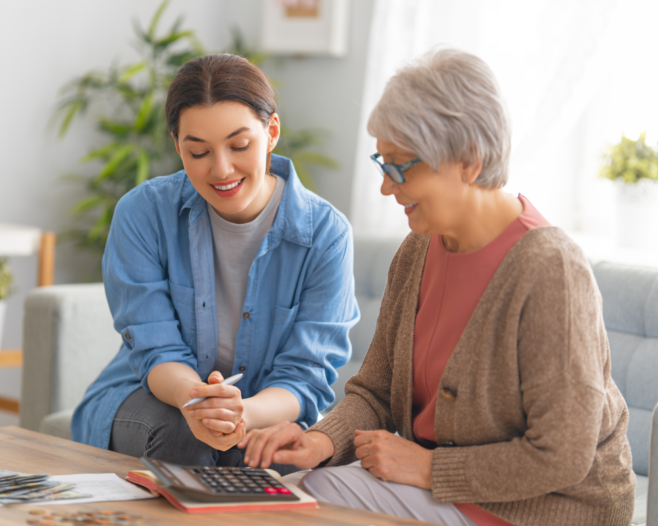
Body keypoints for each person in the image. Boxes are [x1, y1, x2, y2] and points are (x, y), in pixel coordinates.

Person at [239, 48, 636, 525]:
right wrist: (321, 440)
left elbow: (562, 456)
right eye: (381, 163)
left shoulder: (550, 269)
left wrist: (427, 466)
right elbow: (377, 393)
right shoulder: (417, 250)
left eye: (400, 166)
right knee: (290, 495)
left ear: (468, 161)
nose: (387, 187)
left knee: (302, 508)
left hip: (542, 510)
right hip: (434, 493)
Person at [71, 54, 359, 473]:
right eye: (199, 151)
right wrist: (198, 402)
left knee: (269, 456)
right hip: (153, 398)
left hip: (263, 408)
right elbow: (156, 349)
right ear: (177, 146)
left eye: (239, 146)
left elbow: (306, 374)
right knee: (184, 437)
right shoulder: (142, 214)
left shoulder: (326, 234)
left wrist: (242, 413)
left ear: (272, 132)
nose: (221, 169)